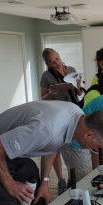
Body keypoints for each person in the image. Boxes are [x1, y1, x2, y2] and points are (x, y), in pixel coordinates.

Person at [40, 48, 83, 195]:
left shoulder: (71, 69)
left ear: (59, 56)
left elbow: (79, 93)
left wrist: (77, 88)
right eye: (52, 62)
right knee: (56, 147)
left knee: (73, 143)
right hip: (57, 113)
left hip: (73, 109)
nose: (56, 63)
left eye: (57, 59)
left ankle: (74, 175)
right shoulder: (46, 76)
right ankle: (60, 180)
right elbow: (42, 99)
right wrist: (52, 93)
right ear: (48, 63)